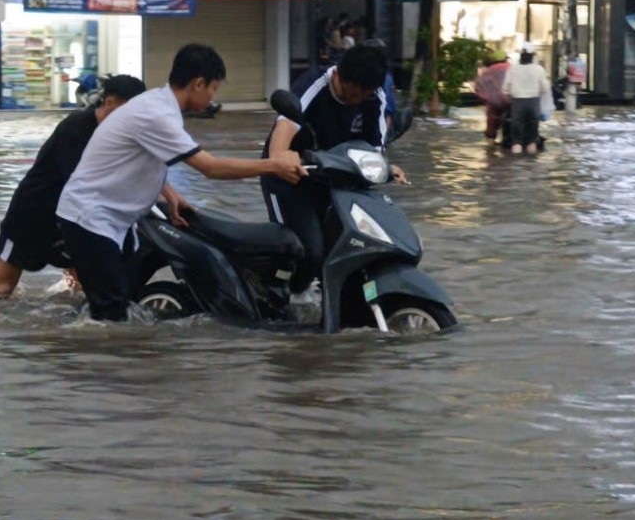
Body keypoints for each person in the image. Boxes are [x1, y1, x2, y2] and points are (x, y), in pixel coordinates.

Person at [56, 43, 307, 322]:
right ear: (199, 84)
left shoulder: (158, 105)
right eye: (214, 88)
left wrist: (168, 193)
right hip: (90, 217)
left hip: (112, 217)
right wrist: (273, 165)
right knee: (110, 316)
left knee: (118, 303)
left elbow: (138, 156)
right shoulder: (158, 114)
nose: (214, 96)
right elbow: (210, 168)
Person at [0, 74, 148, 299]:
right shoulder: (76, 128)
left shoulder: (121, 135)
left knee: (80, 289)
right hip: (31, 218)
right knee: (2, 288)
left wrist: (169, 195)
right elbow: (80, 181)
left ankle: (69, 327)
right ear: (110, 103)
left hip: (68, 223)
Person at [262, 45, 407, 295]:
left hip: (334, 180)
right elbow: (278, 149)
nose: (356, 103)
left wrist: (384, 168)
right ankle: (277, 294)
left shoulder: (375, 96)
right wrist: (284, 159)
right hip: (289, 180)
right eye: (351, 95)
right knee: (307, 250)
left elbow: (373, 149)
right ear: (338, 75)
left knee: (351, 245)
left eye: (363, 97)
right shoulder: (313, 87)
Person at [501, 42, 551, 155]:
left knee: (516, 141)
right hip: (534, 102)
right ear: (533, 56)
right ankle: (531, 164)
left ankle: (516, 162)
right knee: (532, 139)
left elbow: (505, 89)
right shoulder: (539, 69)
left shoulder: (513, 69)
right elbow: (545, 88)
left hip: (517, 102)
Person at [472, 50, 512, 143]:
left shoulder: (488, 71)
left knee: (491, 127)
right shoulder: (511, 68)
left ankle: (490, 147)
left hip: (494, 102)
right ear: (505, 59)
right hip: (510, 101)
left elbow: (478, 86)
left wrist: (486, 98)